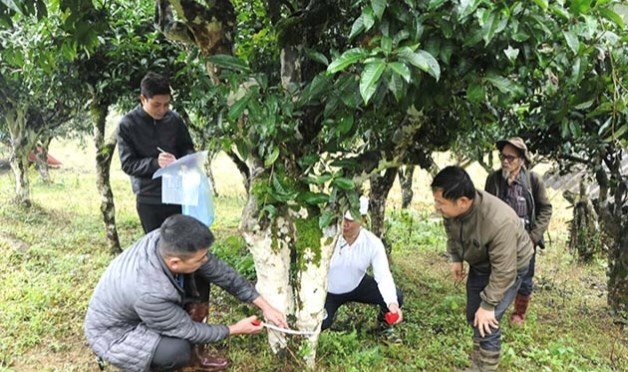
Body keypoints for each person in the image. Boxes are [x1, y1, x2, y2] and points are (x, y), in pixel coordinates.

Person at [84, 214, 288, 372]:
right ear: (175, 262)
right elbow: (188, 330)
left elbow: (220, 272)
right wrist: (235, 329)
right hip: (116, 334)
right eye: (201, 258)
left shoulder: (164, 239)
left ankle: (194, 351)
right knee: (177, 351)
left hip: (140, 310)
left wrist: (264, 305)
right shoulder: (149, 292)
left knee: (201, 273)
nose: (206, 260)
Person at [431, 166, 533, 371]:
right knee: (473, 315)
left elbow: (504, 271)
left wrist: (489, 306)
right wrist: (456, 257)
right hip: (481, 261)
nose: (436, 207)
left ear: (462, 202)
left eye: (440, 203)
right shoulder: (453, 211)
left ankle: (485, 368)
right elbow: (451, 230)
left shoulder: (498, 221)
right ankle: (477, 364)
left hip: (511, 265)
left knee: (487, 320)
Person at [485, 137, 553, 326]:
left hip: (525, 239)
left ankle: (519, 314)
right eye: (503, 157)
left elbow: (545, 208)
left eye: (511, 158)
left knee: (525, 277)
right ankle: (493, 308)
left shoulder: (532, 180)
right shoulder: (494, 179)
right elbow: (486, 208)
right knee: (496, 273)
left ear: (522, 160)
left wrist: (534, 237)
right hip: (499, 238)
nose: (505, 161)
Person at [118, 71, 195, 234]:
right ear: (143, 99)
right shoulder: (128, 124)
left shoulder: (174, 120)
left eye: (166, 104)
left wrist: (183, 161)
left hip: (176, 194)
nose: (162, 110)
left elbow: (187, 148)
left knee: (179, 243)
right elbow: (128, 164)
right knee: (156, 246)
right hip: (149, 197)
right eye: (156, 105)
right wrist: (155, 163)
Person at [322, 197, 404, 342]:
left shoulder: (373, 244)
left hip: (357, 284)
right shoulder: (326, 235)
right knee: (322, 322)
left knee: (396, 296)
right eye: (343, 217)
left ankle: (383, 326)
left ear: (363, 219)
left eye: (350, 219)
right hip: (328, 290)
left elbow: (383, 276)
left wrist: (392, 303)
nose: (345, 223)